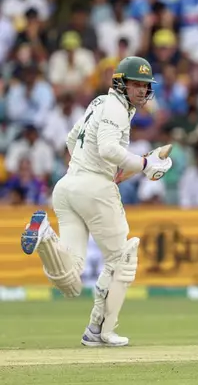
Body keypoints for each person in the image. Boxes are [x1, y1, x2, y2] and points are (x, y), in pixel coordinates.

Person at [20, 56, 173, 347]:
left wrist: (105, 169)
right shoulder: (116, 108)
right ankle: (104, 331)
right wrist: (142, 164)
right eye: (136, 84)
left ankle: (46, 238)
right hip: (94, 188)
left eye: (145, 85)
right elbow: (107, 147)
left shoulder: (99, 103)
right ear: (121, 83)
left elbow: (70, 139)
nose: (142, 90)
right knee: (123, 260)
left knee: (71, 279)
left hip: (67, 186)